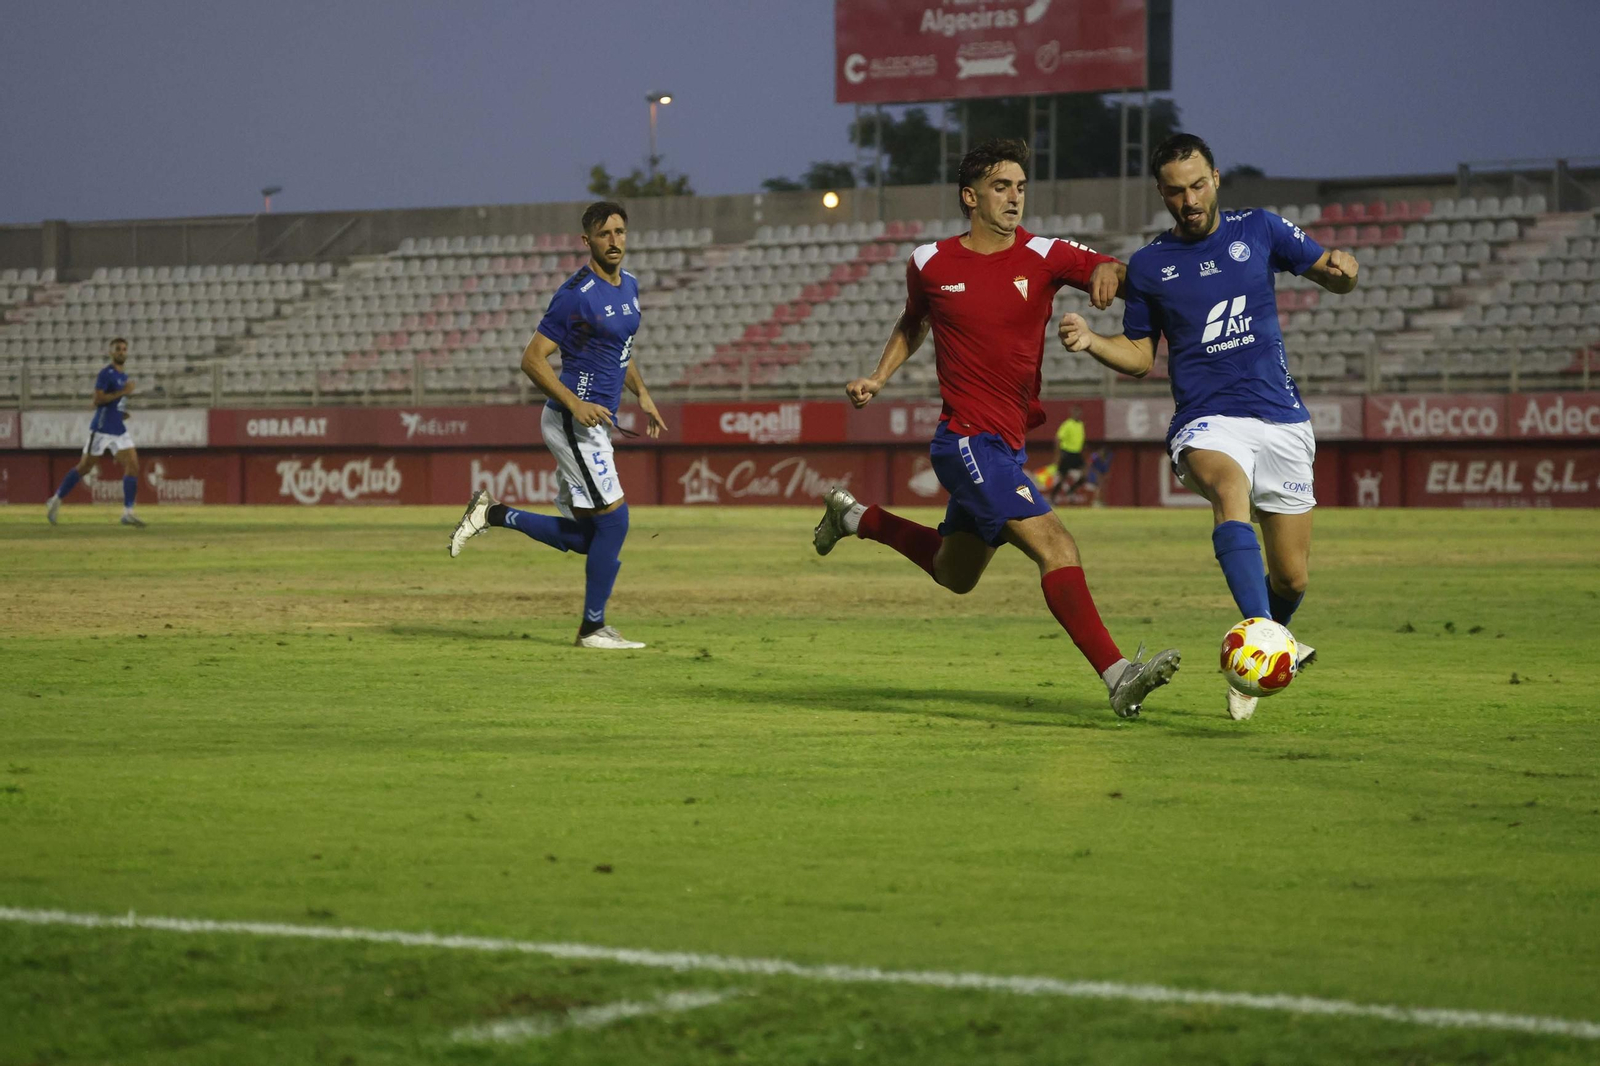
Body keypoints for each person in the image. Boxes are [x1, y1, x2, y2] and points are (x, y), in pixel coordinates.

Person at [812, 139, 1181, 719]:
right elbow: (913, 323)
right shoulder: (929, 263)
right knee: (1056, 545)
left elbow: (1116, 273)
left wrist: (1112, 271)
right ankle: (1118, 675)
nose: (1015, 197)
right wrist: (879, 377)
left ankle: (853, 516)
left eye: (1021, 186)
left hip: (1005, 443)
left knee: (953, 574)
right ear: (970, 197)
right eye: (1002, 186)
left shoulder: (1046, 254)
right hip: (964, 441)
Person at [1058, 133, 1359, 721]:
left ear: (1216, 179)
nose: (1189, 199)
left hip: (1282, 419)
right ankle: (1265, 643)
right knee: (1229, 489)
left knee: (1293, 579)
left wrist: (1345, 270)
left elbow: (1330, 271)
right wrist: (1093, 341)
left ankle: (1257, 657)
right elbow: (1143, 357)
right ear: (1162, 194)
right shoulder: (1149, 265)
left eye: (1197, 185)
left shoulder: (1261, 229)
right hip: (1207, 421)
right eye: (1175, 191)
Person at [448, 200, 668, 649]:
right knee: (616, 523)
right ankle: (592, 629)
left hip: (594, 425)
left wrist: (641, 393)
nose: (615, 241)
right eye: (605, 234)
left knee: (593, 537)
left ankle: (492, 513)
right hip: (574, 423)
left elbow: (619, 350)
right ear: (587, 241)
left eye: (621, 232)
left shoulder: (629, 286)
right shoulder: (575, 294)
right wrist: (574, 403)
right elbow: (531, 359)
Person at [46, 337, 144, 527]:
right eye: (118, 349)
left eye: (124, 349)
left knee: (133, 464)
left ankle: (128, 512)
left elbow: (112, 401)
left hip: (118, 428)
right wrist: (123, 392)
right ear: (111, 352)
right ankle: (56, 499)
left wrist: (120, 413)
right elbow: (98, 400)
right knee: (84, 467)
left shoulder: (123, 376)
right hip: (102, 428)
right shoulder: (106, 374)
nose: (122, 352)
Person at [1048, 405, 1086, 503]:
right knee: (1062, 477)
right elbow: (1058, 439)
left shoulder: (1081, 424)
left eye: (1079, 412)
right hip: (1067, 453)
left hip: (1076, 453)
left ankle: (1070, 491)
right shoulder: (1067, 424)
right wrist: (1058, 455)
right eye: (1075, 412)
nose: (1077, 414)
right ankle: (1052, 497)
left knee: (1085, 474)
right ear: (1071, 413)